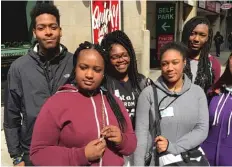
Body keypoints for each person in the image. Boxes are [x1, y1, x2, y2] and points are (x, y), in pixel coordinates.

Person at [30, 41, 137, 166]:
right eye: (84, 67)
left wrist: (121, 139)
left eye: (97, 70)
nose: (89, 75)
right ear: (75, 68)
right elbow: (38, 154)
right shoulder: (56, 103)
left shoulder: (114, 101)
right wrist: (82, 155)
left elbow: (131, 145)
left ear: (103, 74)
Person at [3, 3, 73, 166]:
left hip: (70, 150)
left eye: (53, 27)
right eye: (42, 28)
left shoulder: (75, 62)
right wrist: (16, 156)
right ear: (34, 32)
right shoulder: (19, 68)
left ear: (60, 30)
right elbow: (11, 117)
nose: (48, 32)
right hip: (33, 151)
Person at [133, 42, 209, 166]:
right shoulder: (148, 94)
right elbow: (141, 137)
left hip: (190, 161)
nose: (169, 68)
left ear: (184, 62)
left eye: (175, 62)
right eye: (165, 64)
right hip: (160, 162)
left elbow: (202, 129)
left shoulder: (197, 93)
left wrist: (173, 147)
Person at [100, 30, 150, 166]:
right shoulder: (103, 84)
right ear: (108, 59)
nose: (121, 60)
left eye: (124, 55)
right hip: (114, 148)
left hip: (139, 147)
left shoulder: (143, 82)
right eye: (115, 57)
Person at [181, 16, 221, 93]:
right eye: (192, 34)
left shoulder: (213, 64)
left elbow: (214, 92)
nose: (196, 39)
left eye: (202, 35)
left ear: (207, 38)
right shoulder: (176, 58)